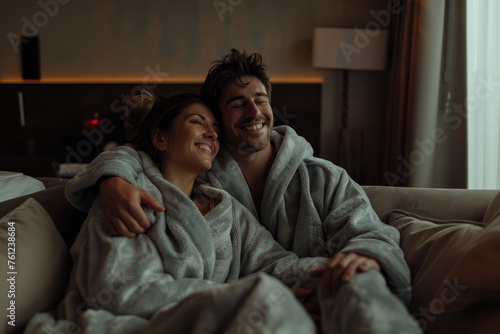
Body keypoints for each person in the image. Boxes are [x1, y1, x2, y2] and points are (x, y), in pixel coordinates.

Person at [65, 50, 421, 333]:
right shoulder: (137, 192)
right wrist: (111, 176)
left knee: (355, 282)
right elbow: (136, 155)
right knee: (267, 299)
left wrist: (337, 272)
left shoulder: (295, 186)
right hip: (220, 311)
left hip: (264, 304)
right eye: (236, 103)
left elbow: (272, 260)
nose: (254, 111)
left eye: (261, 99)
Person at [25, 92, 335, 334]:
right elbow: (118, 290)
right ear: (160, 138)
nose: (212, 134)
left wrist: (329, 274)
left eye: (215, 128)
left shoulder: (225, 207)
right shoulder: (128, 197)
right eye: (198, 122)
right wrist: (236, 299)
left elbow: (272, 261)